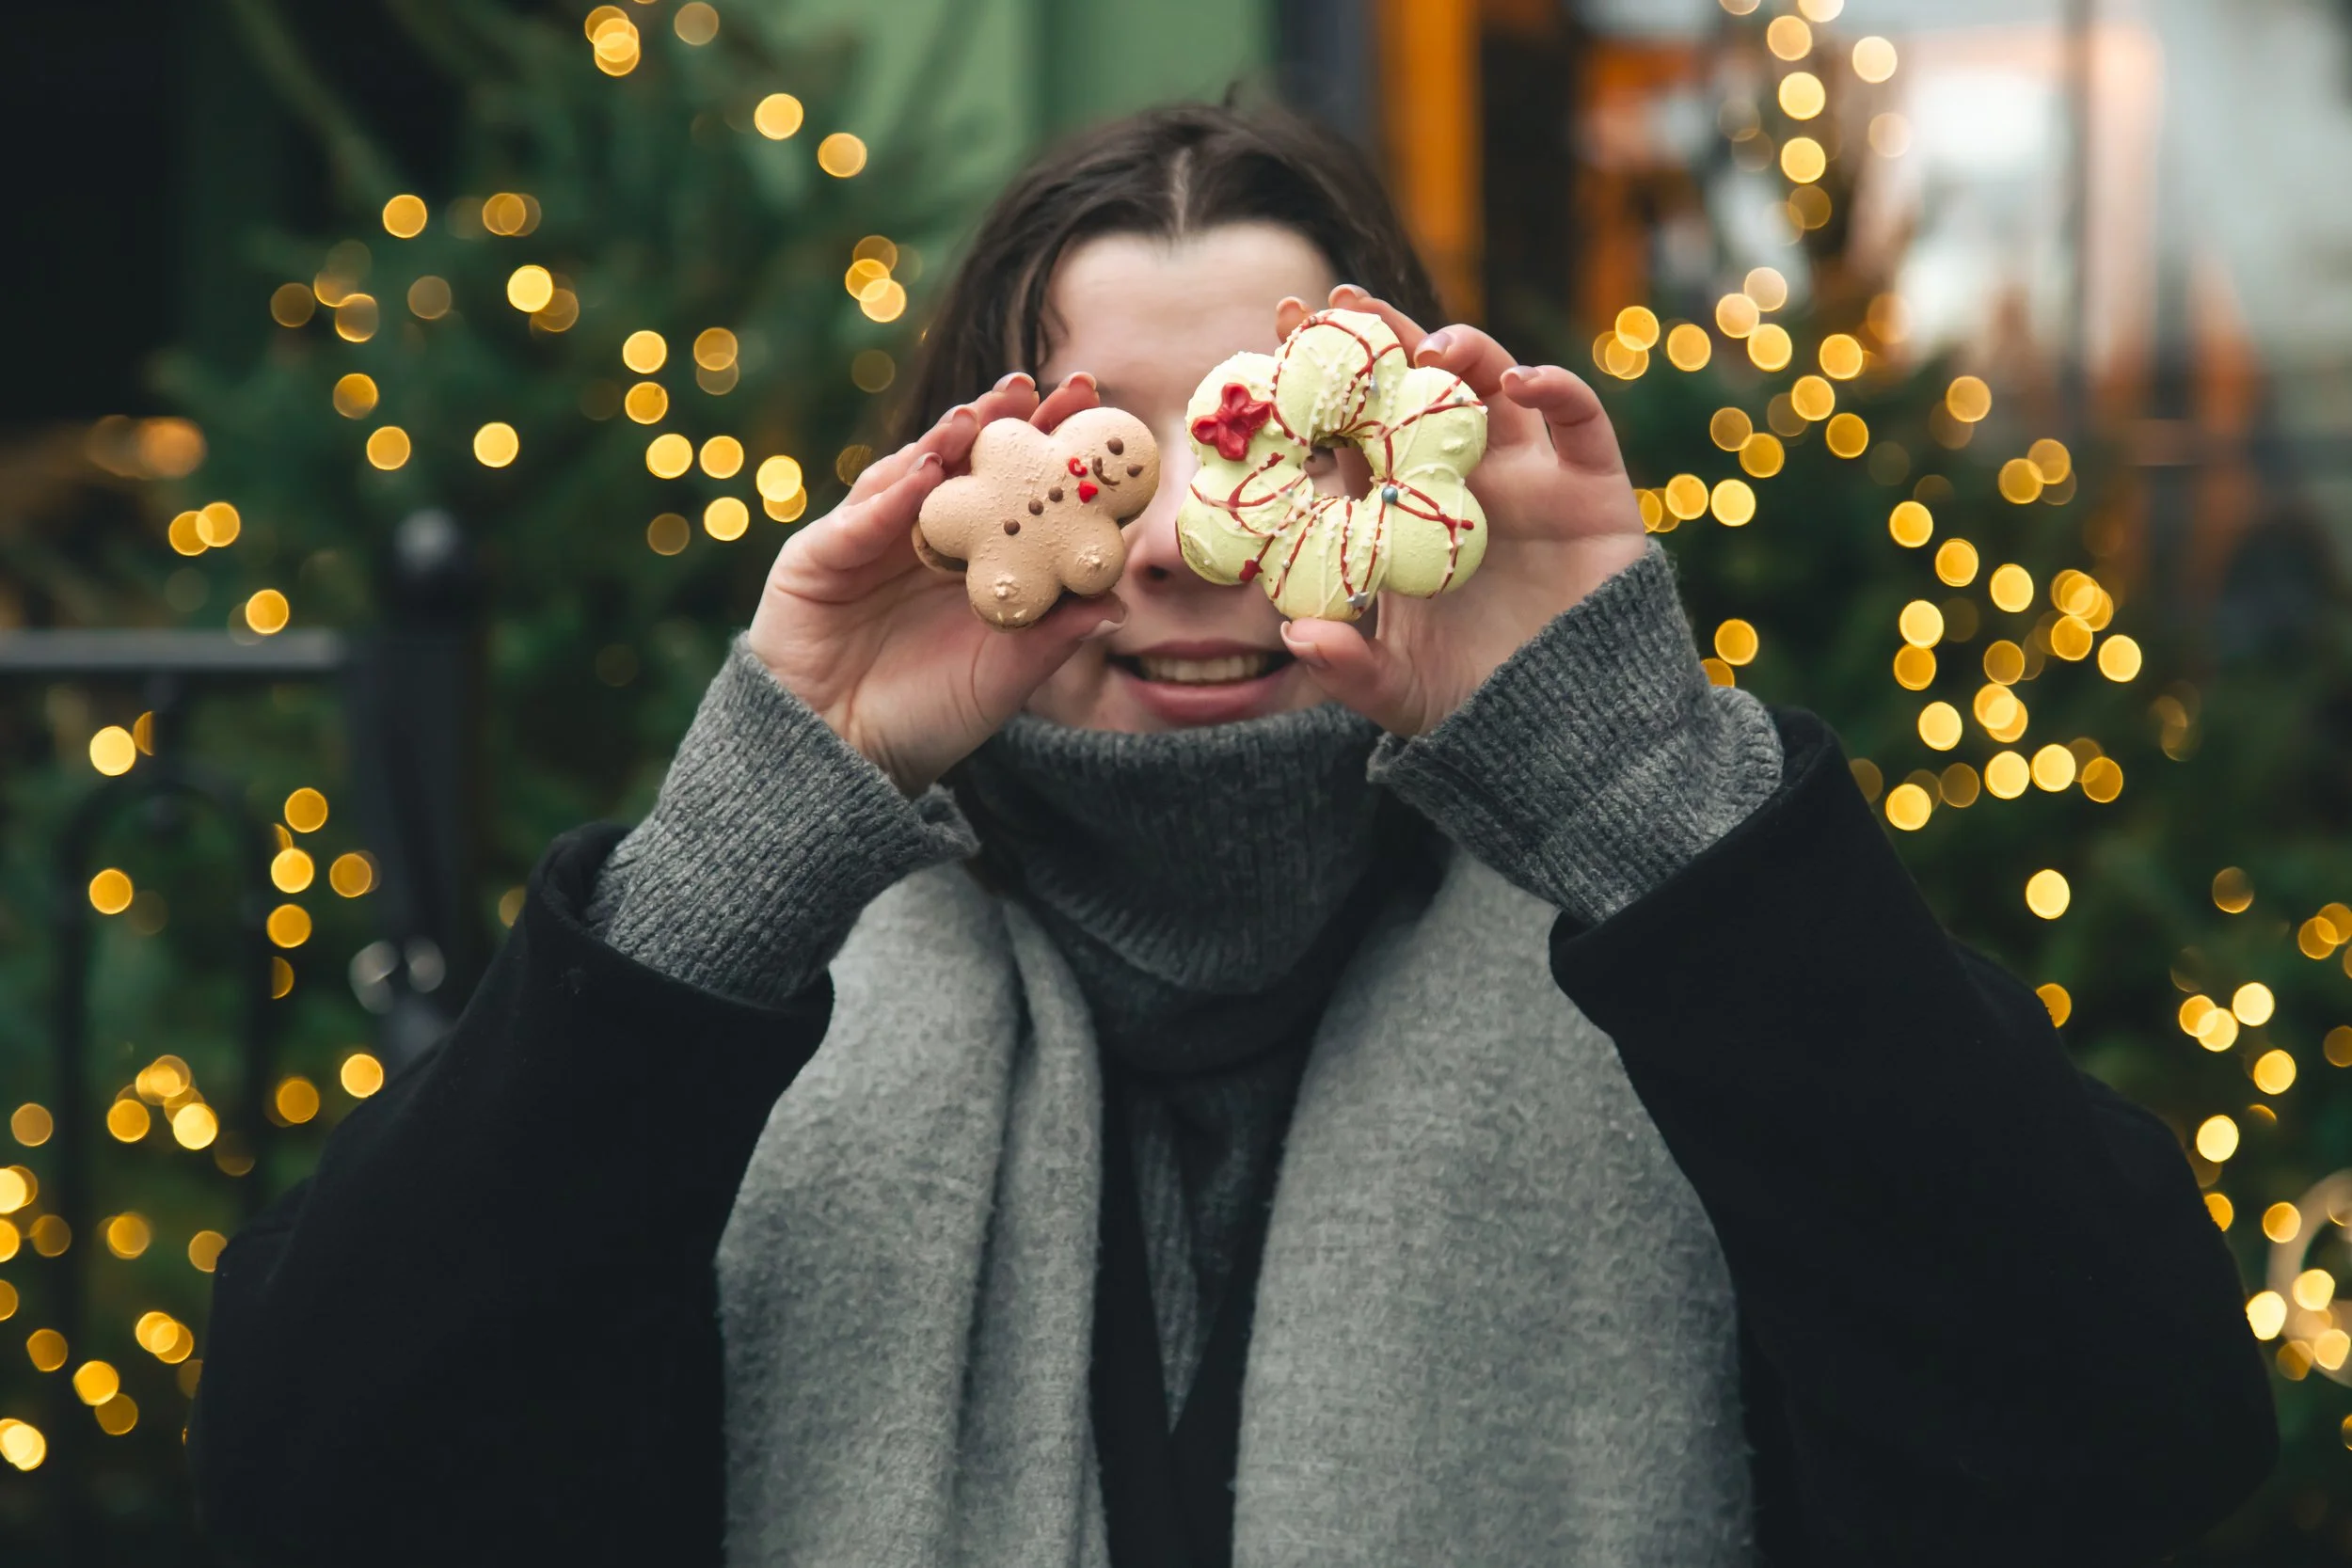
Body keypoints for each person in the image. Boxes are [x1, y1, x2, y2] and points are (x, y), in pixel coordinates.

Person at [187, 103, 2272, 1567]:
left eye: (1262, 441)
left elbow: (2124, 1439)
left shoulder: (1684, 983)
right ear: (963, 499)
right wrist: (749, 832)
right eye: (1111, 453)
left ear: (1410, 468)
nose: (1184, 542)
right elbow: (326, 1480)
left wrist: (1641, 784)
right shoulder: (737, 1014)